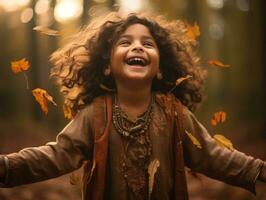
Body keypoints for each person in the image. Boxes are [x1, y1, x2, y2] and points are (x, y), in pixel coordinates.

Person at [0, 11, 265, 200]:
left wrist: (257, 169)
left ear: (160, 69)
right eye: (125, 42)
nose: (137, 47)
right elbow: (56, 154)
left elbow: (212, 155)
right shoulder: (95, 115)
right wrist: (7, 167)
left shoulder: (175, 113)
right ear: (106, 65)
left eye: (147, 44)